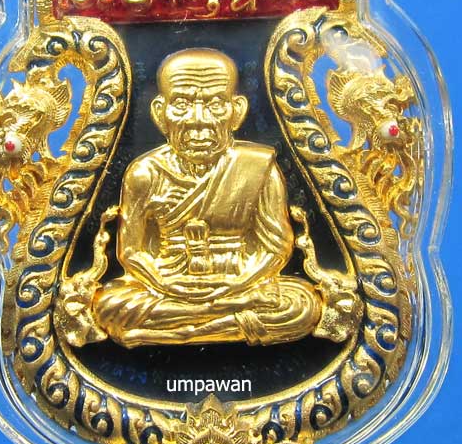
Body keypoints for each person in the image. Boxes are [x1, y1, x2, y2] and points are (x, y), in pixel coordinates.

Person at [93, 48, 321, 347]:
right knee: (109, 305)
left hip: (239, 280)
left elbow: (276, 247)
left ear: (237, 110)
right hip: (171, 285)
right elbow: (131, 252)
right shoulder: (144, 172)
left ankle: (182, 333)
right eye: (181, 104)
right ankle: (216, 323)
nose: (197, 120)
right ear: (160, 112)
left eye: (215, 104)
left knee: (302, 305)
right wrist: (166, 283)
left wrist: (237, 283)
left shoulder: (257, 167)